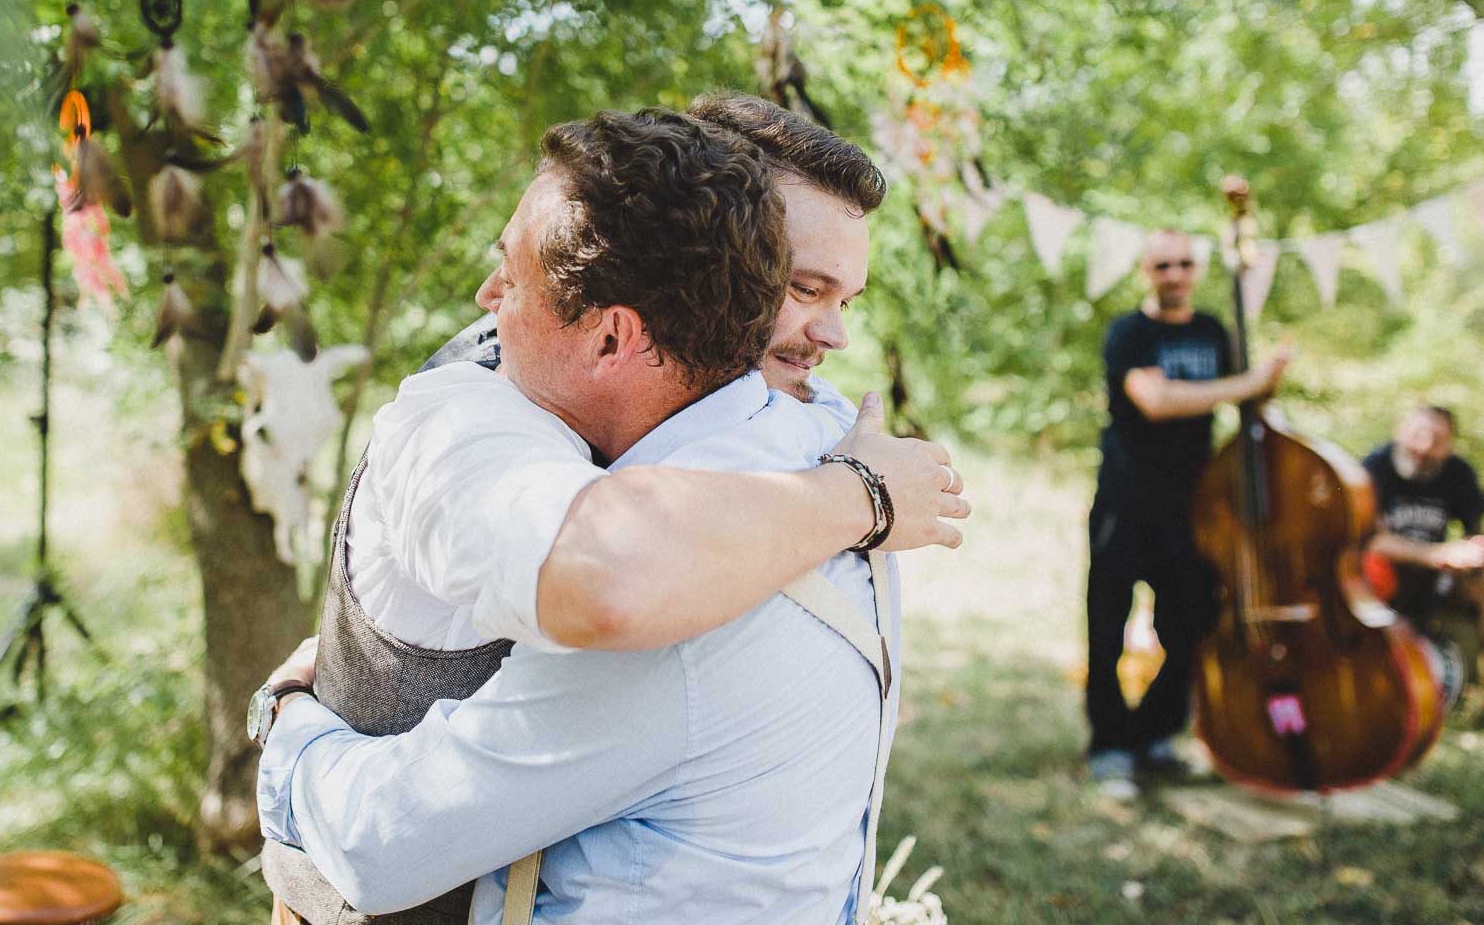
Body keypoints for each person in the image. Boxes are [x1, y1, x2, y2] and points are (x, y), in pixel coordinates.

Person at [255, 106, 966, 923]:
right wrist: (861, 496)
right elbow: (609, 568)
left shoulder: (799, 447)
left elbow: (385, 840)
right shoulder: (482, 419)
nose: (833, 335)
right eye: (803, 288)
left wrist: (284, 723)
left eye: (845, 298)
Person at [1085, 228, 1288, 799]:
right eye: (1162, 265)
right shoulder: (1130, 333)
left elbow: (1238, 398)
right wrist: (1246, 383)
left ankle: (1152, 734)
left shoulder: (1212, 331)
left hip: (1195, 506)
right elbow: (1156, 400)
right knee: (1110, 627)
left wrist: (1265, 382)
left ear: (1196, 270)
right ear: (1146, 271)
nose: (1173, 274)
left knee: (1195, 623)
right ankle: (1109, 748)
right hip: (1125, 503)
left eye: (1183, 264)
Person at [1362, 406, 1484, 734]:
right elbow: (1369, 541)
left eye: (1437, 439)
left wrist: (1475, 556)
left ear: (1450, 444)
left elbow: (1475, 535)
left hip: (1436, 580)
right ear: (1399, 430)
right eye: (1418, 434)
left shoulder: (1458, 474)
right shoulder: (1371, 470)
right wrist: (1435, 554)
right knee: (1371, 569)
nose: (1425, 447)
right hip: (1382, 576)